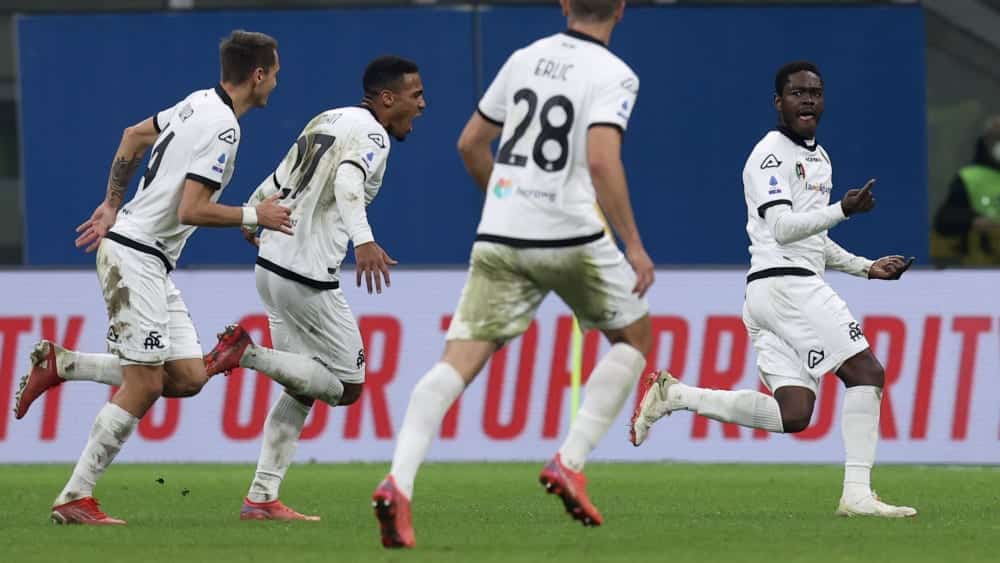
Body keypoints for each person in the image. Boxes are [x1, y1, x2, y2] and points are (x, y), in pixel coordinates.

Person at [372, 0, 654, 548]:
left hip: (502, 231)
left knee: (458, 360)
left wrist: (507, 199)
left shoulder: (524, 57)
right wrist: (634, 245)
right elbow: (600, 159)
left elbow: (470, 143)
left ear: (564, 4)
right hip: (571, 231)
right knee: (635, 337)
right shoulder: (615, 74)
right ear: (620, 10)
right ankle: (570, 462)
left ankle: (398, 482)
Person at [13, 30, 290, 525]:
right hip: (135, 256)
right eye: (276, 72)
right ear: (258, 75)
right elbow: (192, 208)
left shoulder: (196, 103)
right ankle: (75, 496)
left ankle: (65, 364)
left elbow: (132, 136)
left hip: (148, 258)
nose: (277, 81)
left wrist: (111, 204)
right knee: (142, 385)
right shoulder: (225, 128)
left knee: (187, 377)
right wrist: (254, 215)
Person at [630, 61, 917, 518]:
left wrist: (865, 268)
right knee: (866, 374)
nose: (808, 99)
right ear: (778, 102)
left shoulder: (819, 159)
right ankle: (857, 495)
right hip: (787, 285)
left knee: (794, 414)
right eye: (797, 92)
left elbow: (813, 239)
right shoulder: (769, 155)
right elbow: (783, 229)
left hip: (772, 293)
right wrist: (843, 209)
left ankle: (676, 396)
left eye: (816, 92)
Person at [201, 56, 425, 522]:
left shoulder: (329, 117)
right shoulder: (374, 134)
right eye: (415, 94)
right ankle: (246, 354)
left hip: (270, 265)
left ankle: (261, 497)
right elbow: (347, 181)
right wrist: (364, 241)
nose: (421, 105)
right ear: (388, 98)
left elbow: (287, 171)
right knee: (348, 387)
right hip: (306, 277)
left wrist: (255, 205)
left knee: (300, 386)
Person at [933, 116, 1000, 265]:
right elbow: (945, 220)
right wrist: (973, 220)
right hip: (984, 266)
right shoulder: (970, 177)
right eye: (997, 138)